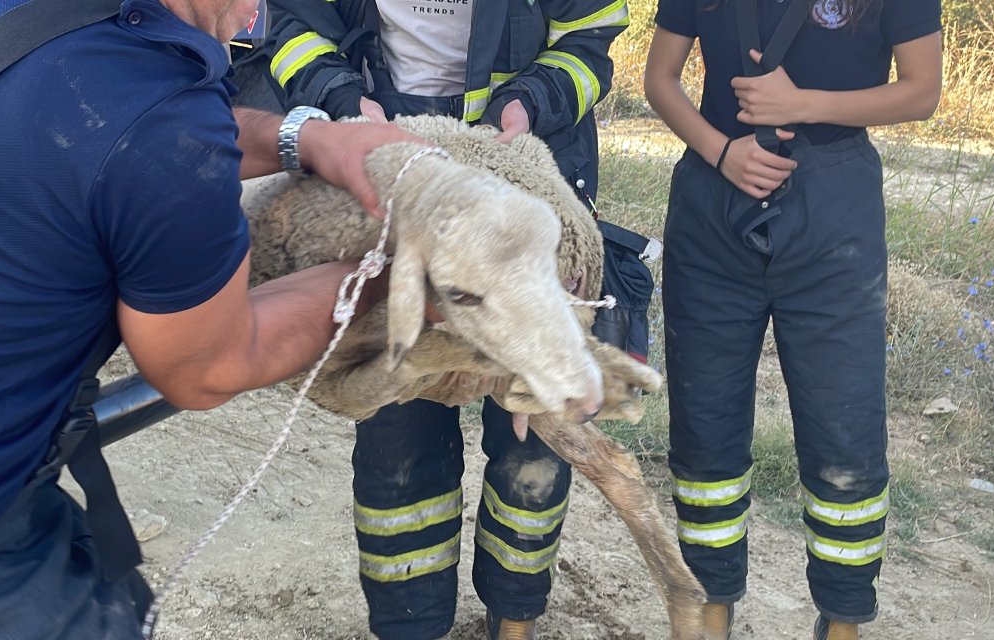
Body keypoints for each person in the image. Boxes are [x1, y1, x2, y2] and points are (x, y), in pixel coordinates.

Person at [0, 0, 424, 637]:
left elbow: (106, 128)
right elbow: (207, 366)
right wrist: (398, 278)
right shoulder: (151, 102)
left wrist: (301, 138)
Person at [261, 1, 627, 638]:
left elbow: (589, 39)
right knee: (396, 416)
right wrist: (343, 98)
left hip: (523, 163)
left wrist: (527, 104)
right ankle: (409, 622)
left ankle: (515, 619)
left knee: (533, 429)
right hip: (396, 167)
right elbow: (292, 25)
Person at [643, 1, 942, 639]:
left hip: (834, 213)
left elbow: (922, 92)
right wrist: (721, 152)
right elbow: (660, 79)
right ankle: (709, 616)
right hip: (712, 209)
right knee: (704, 430)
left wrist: (803, 104)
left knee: (845, 434)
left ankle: (843, 622)